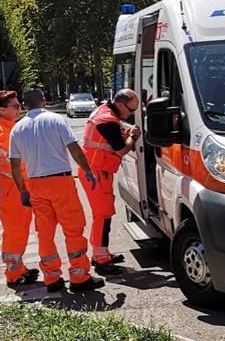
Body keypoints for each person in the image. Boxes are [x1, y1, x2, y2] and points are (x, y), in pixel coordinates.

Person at [9, 89, 105, 293]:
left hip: (35, 184)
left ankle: (52, 278)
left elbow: (15, 166)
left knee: (45, 234)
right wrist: (87, 170)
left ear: (25, 106)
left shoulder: (17, 129)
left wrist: (22, 191)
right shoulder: (56, 120)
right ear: (43, 101)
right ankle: (79, 277)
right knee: (73, 230)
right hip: (60, 182)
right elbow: (74, 148)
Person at [79, 89, 141, 275]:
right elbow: (121, 150)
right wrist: (133, 136)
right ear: (121, 105)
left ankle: (100, 254)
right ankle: (102, 260)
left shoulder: (104, 111)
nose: (131, 114)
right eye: (131, 110)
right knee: (102, 216)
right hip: (97, 173)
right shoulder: (107, 120)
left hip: (96, 171)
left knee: (103, 215)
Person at [0, 90, 39, 288]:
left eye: (19, 105)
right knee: (15, 231)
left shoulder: (10, 127)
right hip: (9, 189)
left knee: (21, 229)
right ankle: (13, 274)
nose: (19, 109)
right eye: (15, 106)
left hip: (17, 187)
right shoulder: (0, 131)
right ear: (2, 109)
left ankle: (19, 268)